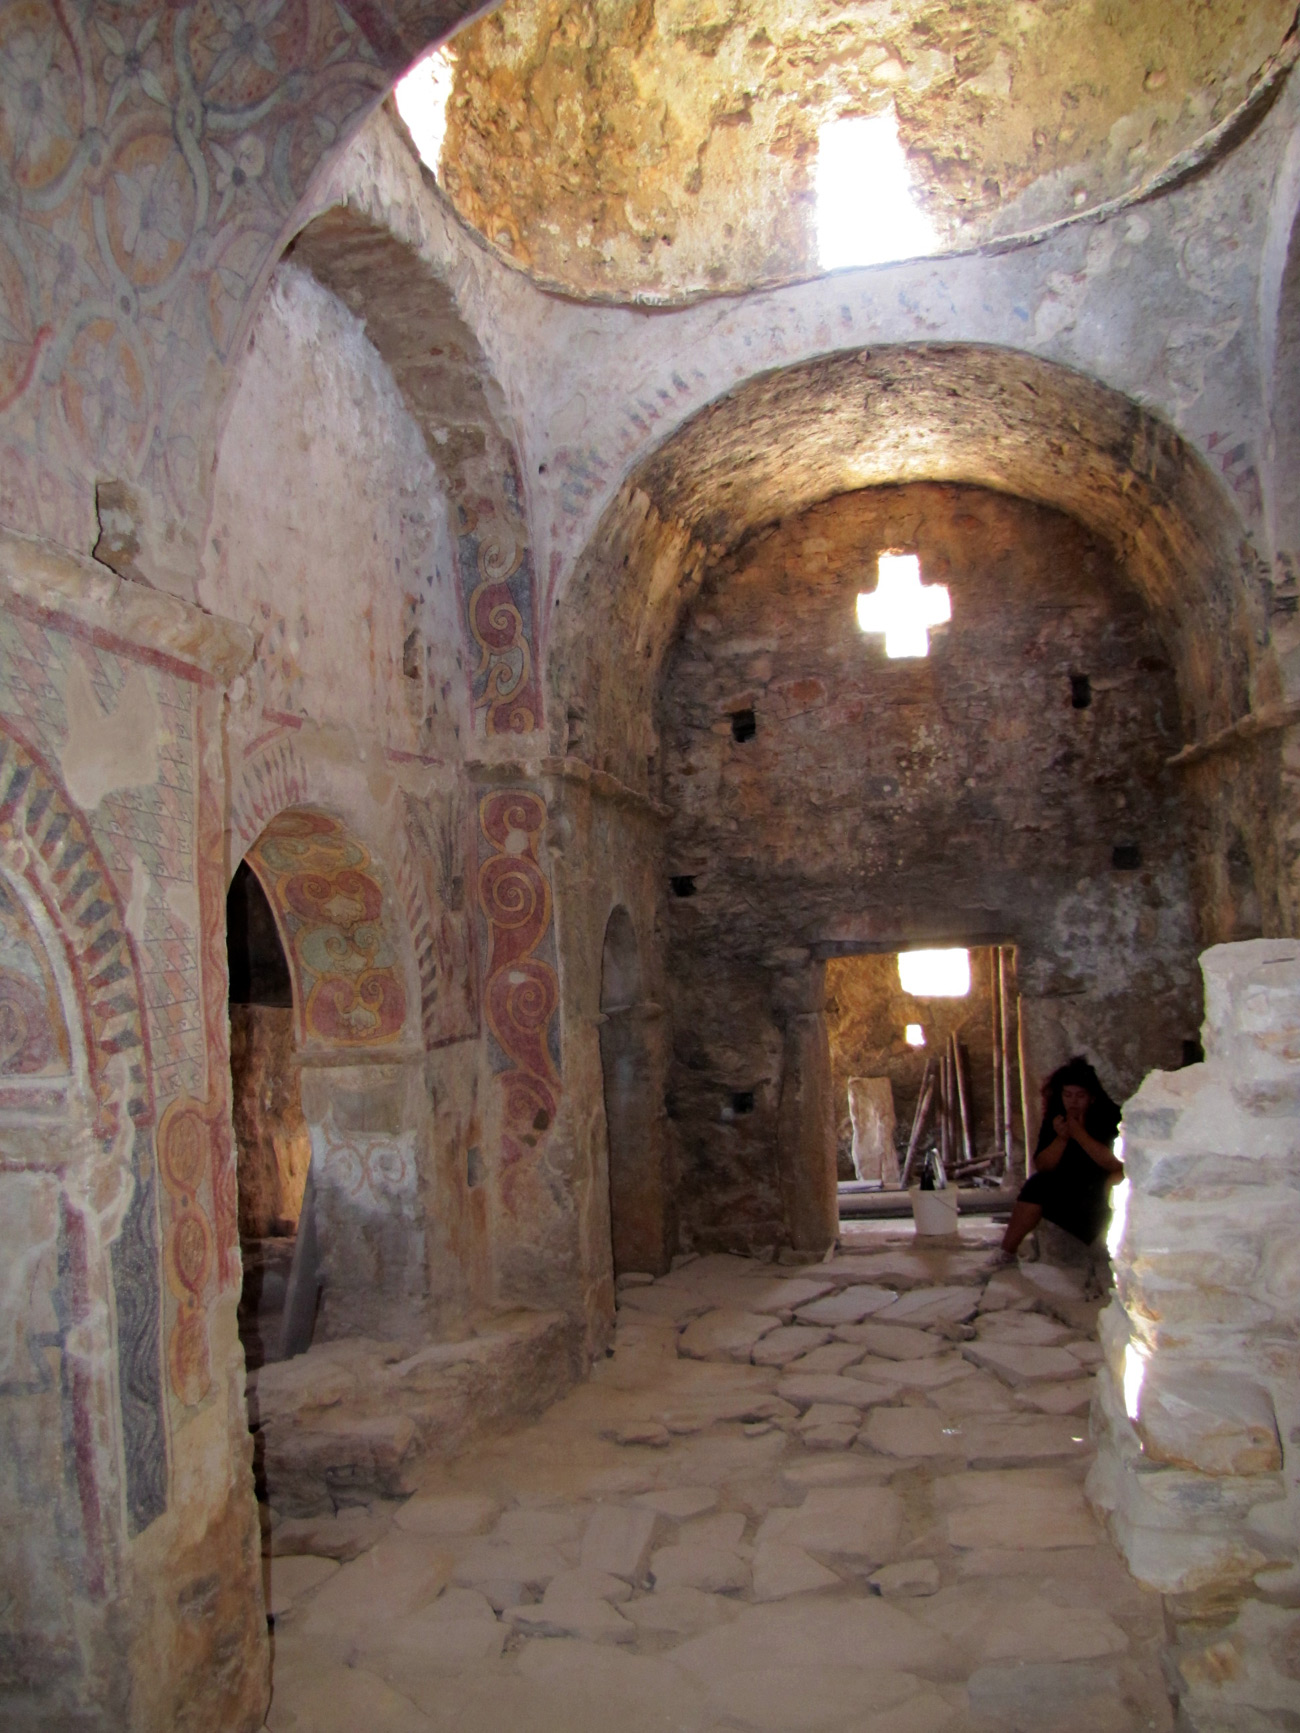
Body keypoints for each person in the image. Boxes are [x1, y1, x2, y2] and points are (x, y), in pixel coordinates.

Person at [1001, 1056, 1123, 1257]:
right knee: (1036, 1185)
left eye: (1080, 1096)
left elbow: (1115, 1164)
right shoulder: (1056, 1117)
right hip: (1068, 1186)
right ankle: (1006, 1252)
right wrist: (1062, 1138)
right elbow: (1043, 1165)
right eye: (1068, 1095)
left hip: (1099, 1188)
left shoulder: (1110, 1117)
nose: (1073, 1102)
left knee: (1117, 1183)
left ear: (1092, 1098)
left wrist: (1080, 1134)